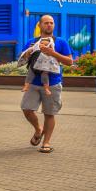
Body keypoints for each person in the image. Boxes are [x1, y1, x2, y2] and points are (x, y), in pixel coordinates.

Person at [18, 15, 73, 153]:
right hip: (33, 82)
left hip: (53, 83)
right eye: (46, 23)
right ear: (40, 25)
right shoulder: (31, 42)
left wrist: (52, 52)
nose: (49, 25)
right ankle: (38, 130)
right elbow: (22, 60)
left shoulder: (60, 42)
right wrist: (28, 53)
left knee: (49, 113)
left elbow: (69, 62)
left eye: (51, 23)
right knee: (26, 109)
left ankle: (46, 142)